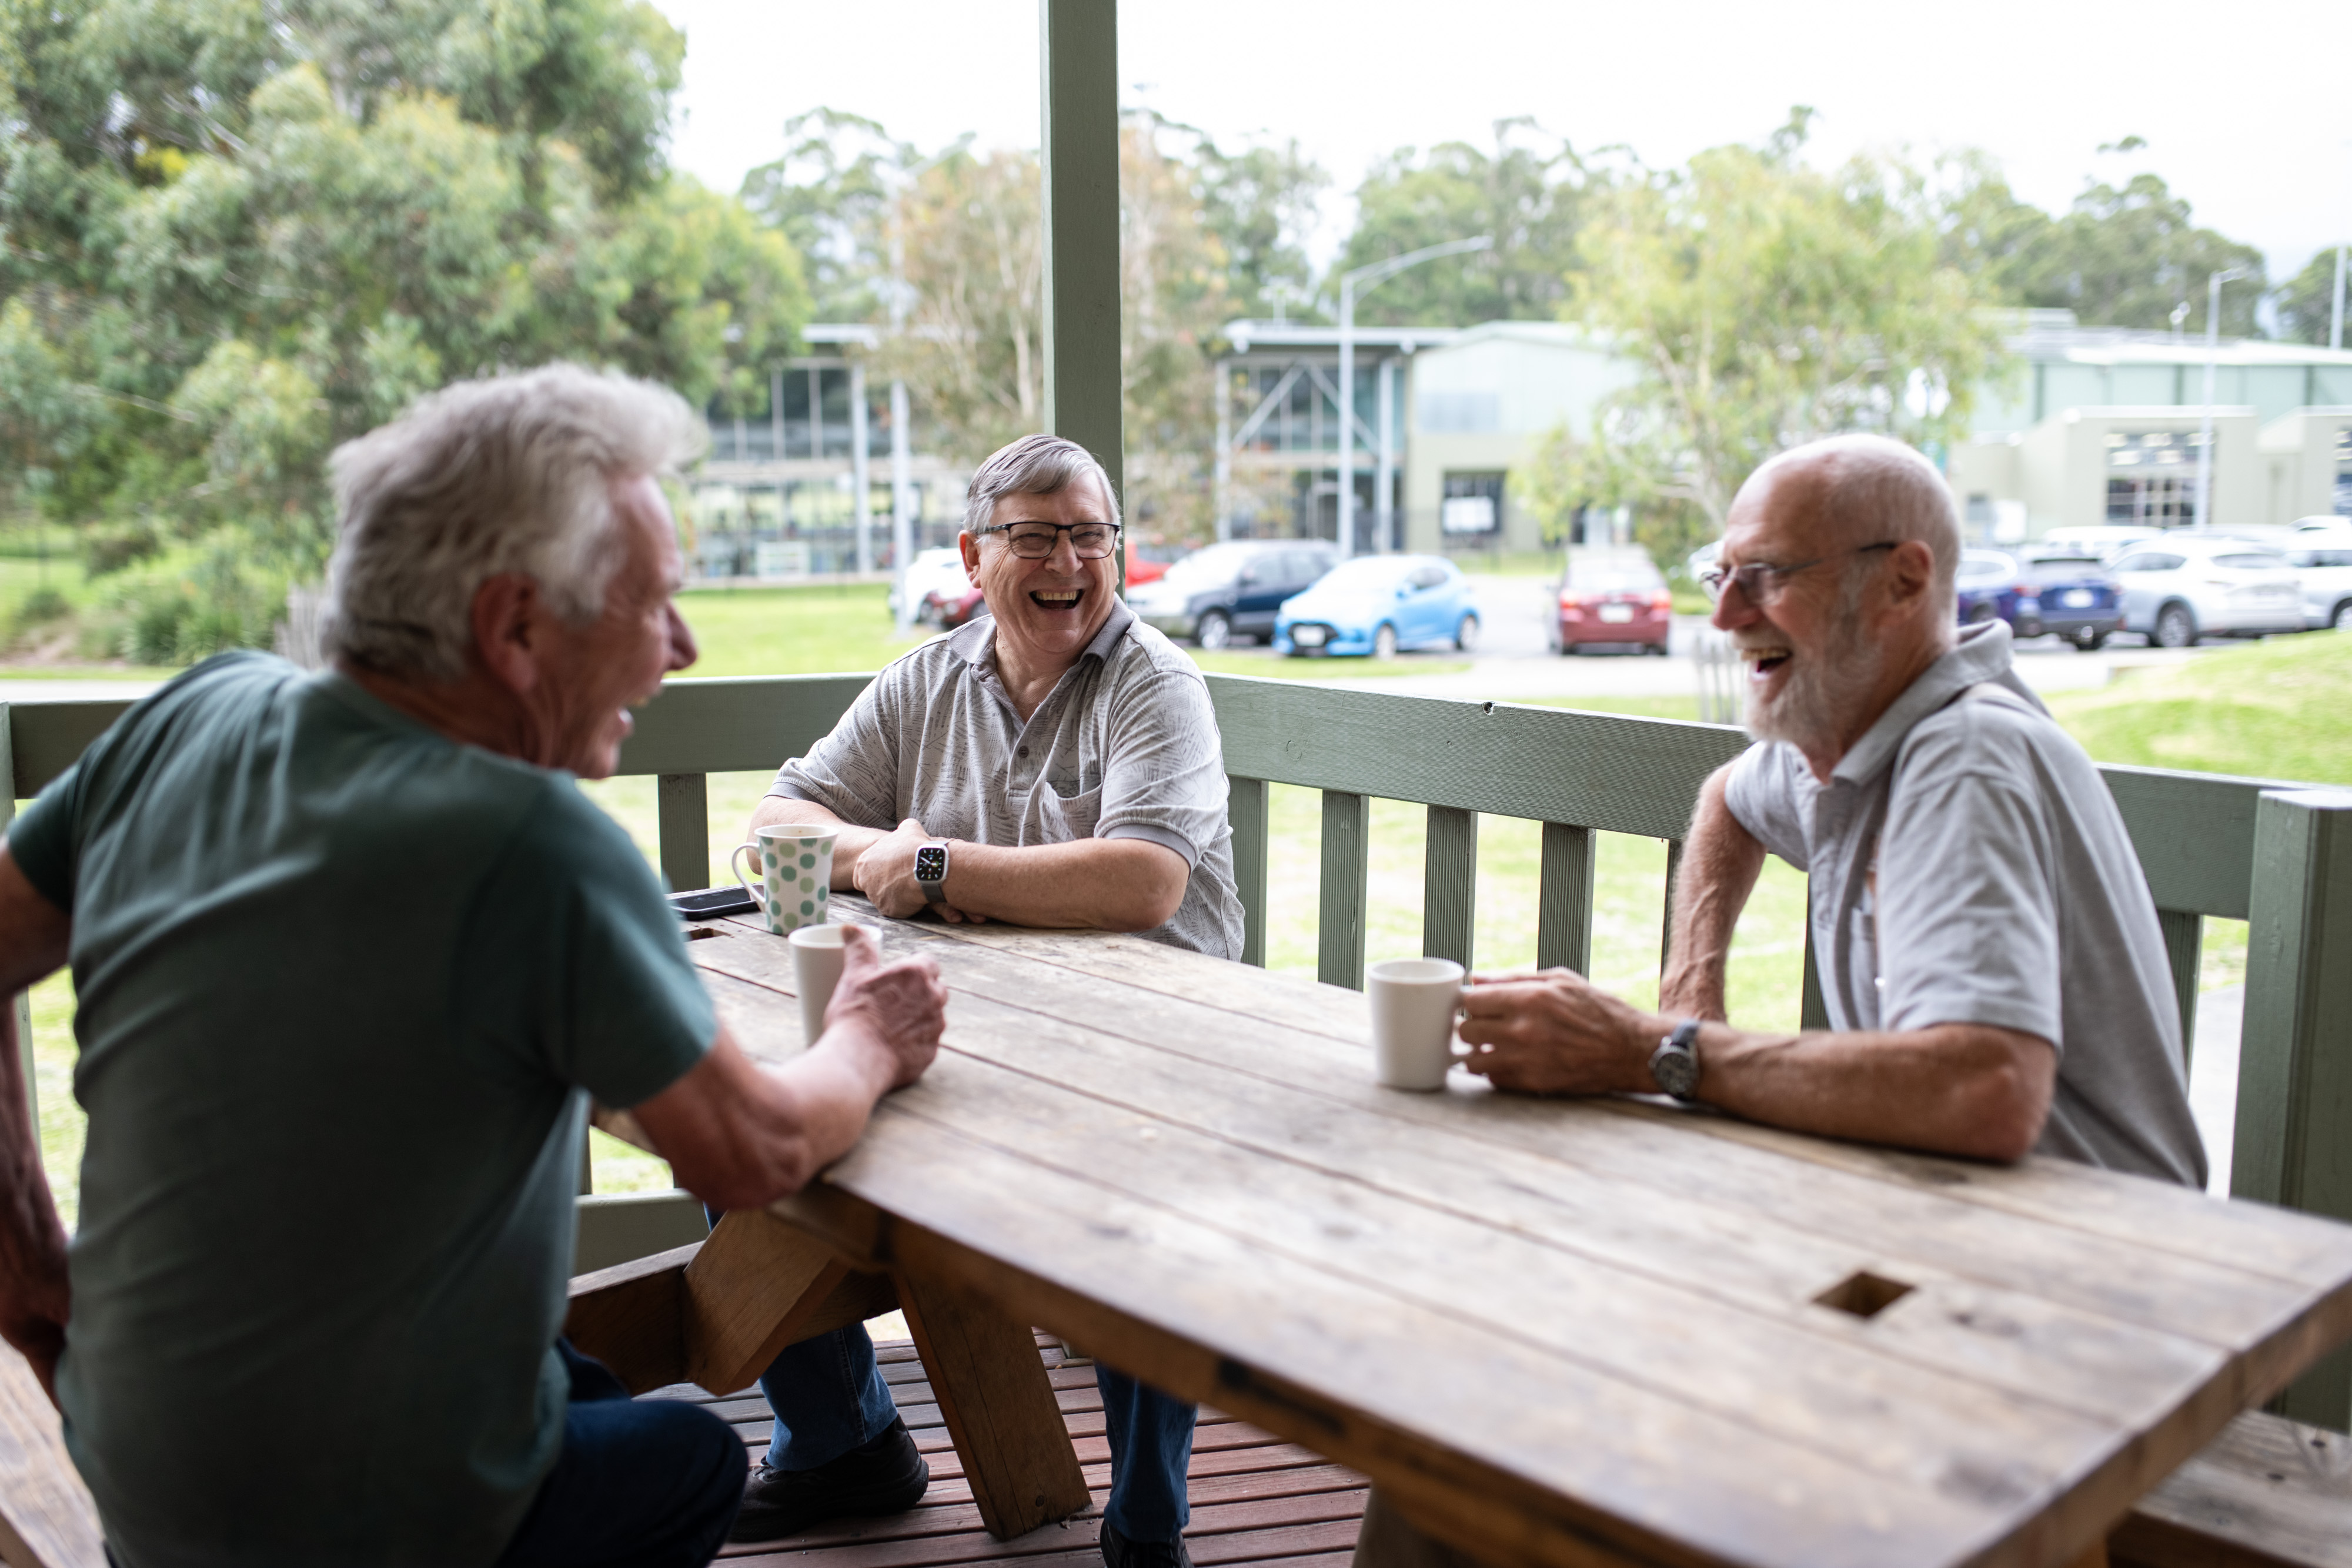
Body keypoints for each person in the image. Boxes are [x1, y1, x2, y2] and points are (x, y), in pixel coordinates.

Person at [0, 365, 949, 1568]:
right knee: (696, 1458)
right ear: (513, 626)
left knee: (569, 1376)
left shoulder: (194, 712)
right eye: (653, 602)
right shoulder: (533, 839)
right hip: (341, 1523)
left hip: (143, 1457)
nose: (685, 646)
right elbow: (749, 1150)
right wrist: (866, 1037)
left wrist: (26, 1259)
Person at [1351, 432, 2204, 1568]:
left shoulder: (1966, 761)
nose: (1726, 617)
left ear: (1902, 582)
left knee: (1515, 1407)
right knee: (1479, 1397)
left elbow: (1987, 1089)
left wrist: (1657, 1054)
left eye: (1768, 578)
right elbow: (1727, 798)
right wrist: (1688, 991)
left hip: (2084, 1309)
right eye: (1722, 577)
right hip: (1947, 1244)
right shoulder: (1855, 739)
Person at [732, 433, 1243, 1567]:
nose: (1069, 562)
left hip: (1154, 1051)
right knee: (740, 1122)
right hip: (967, 1036)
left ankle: (1147, 1524)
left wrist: (926, 869)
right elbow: (775, 832)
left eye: (1091, 536)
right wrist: (876, 851)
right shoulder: (927, 678)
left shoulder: (1156, 685)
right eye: (1035, 537)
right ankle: (842, 1439)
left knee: (1136, 1224)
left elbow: (1145, 879)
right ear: (975, 557)